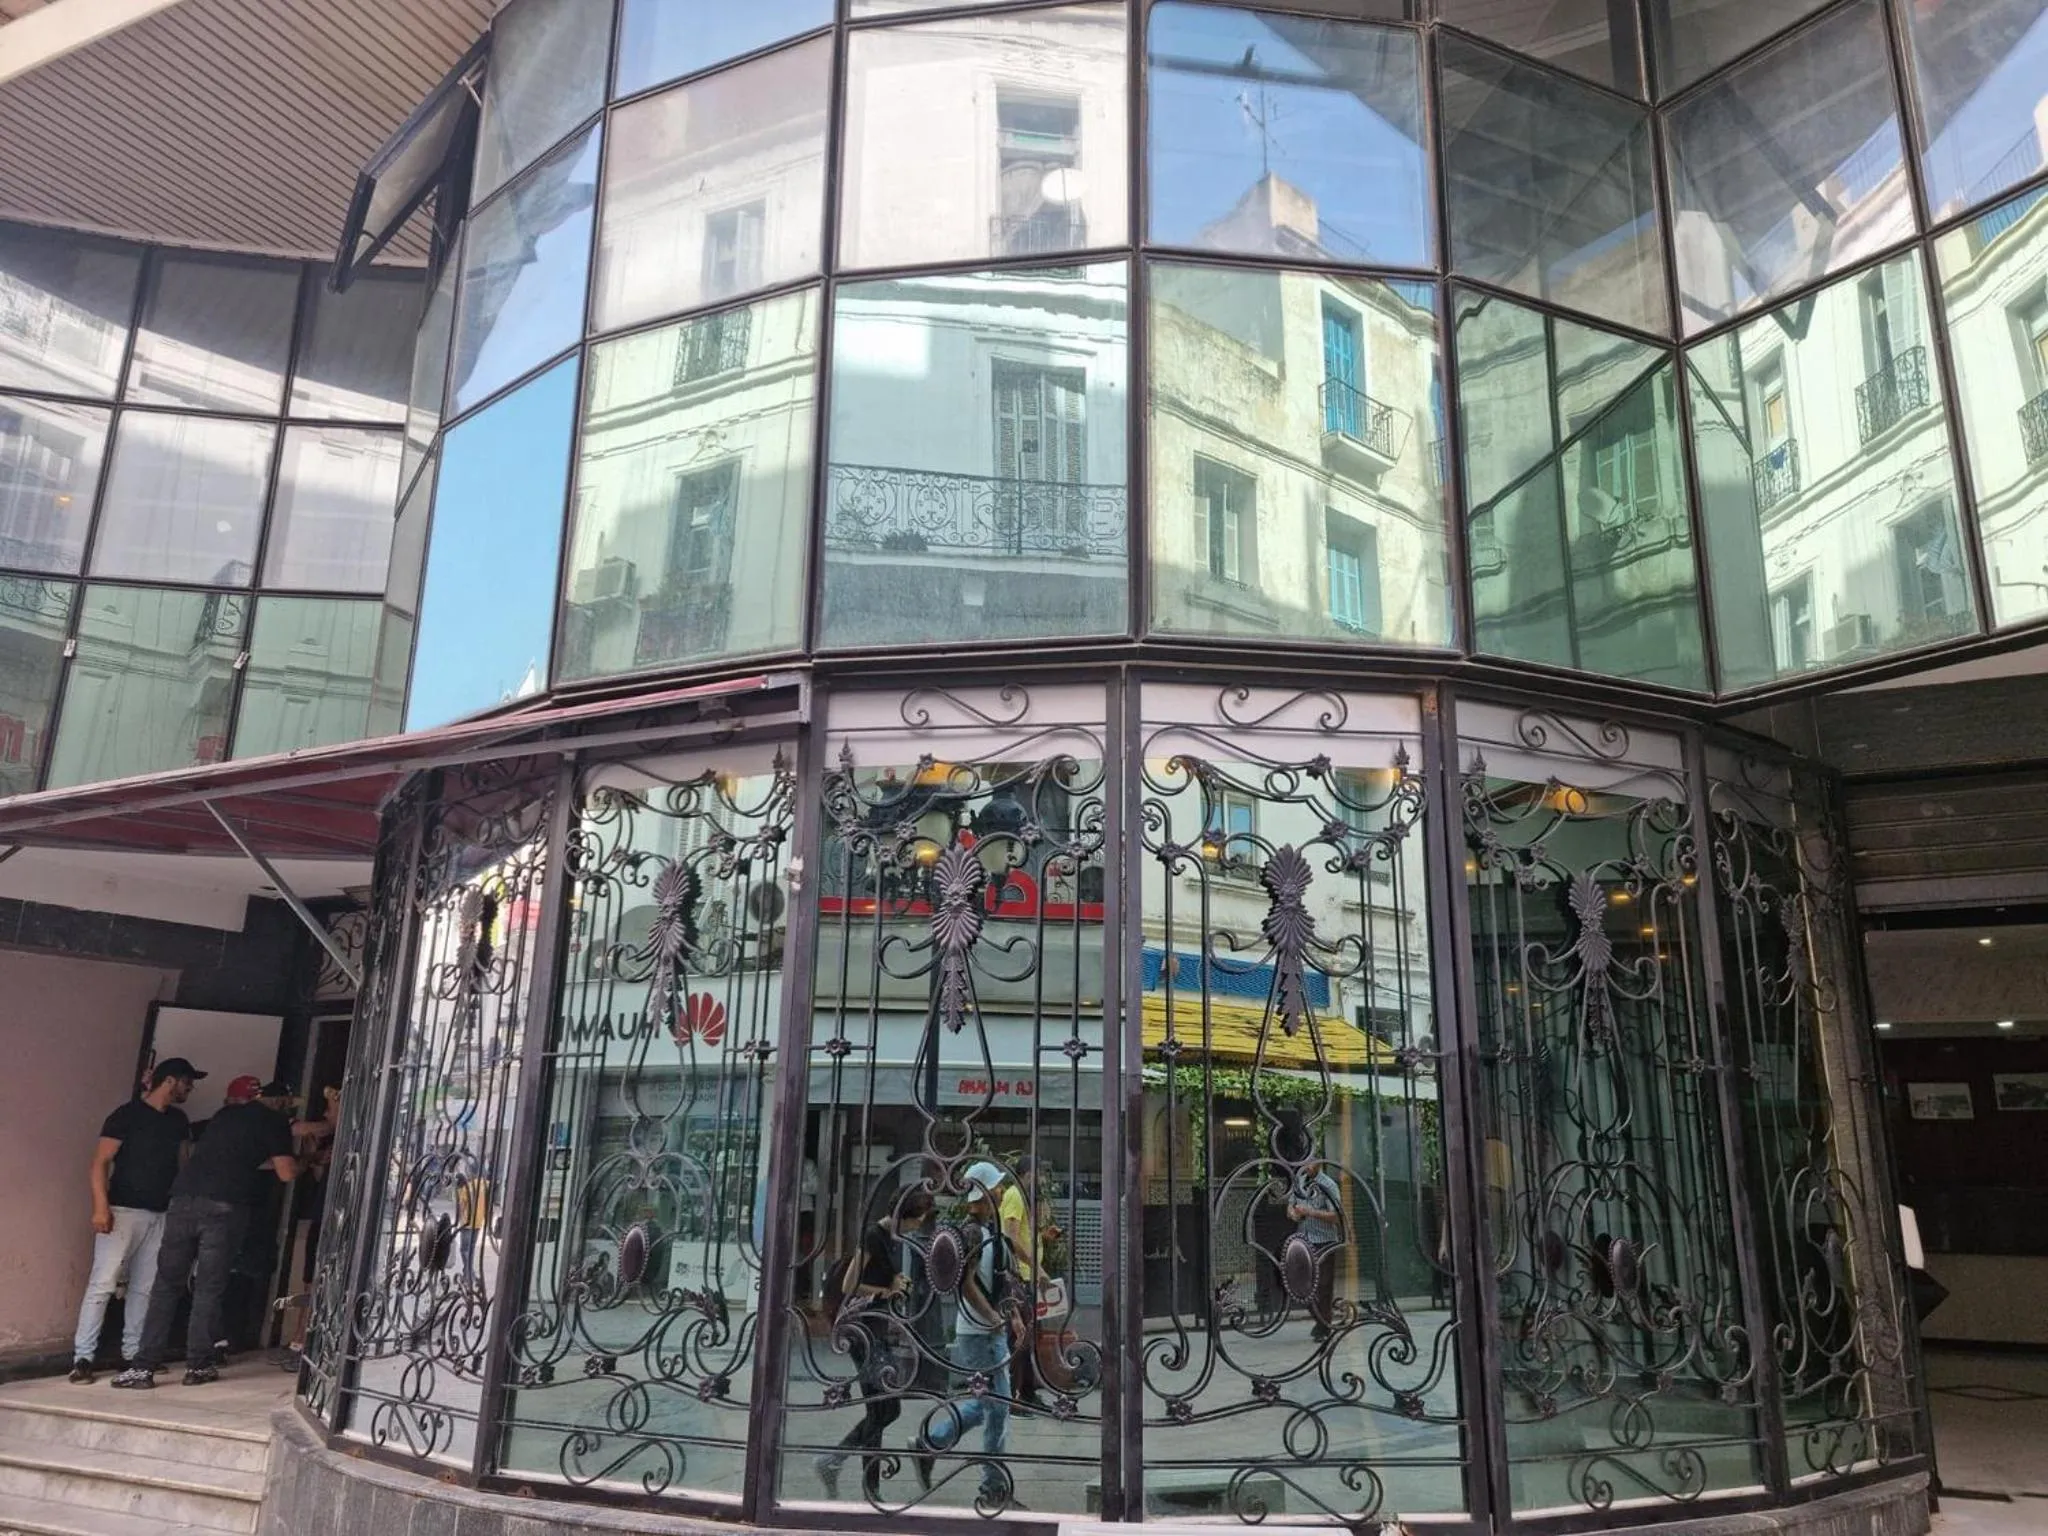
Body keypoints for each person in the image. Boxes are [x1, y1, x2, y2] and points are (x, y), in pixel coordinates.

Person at [113, 1077, 297, 1389]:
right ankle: (197, 1364)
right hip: (225, 1207)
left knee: (166, 1284)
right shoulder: (274, 1122)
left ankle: (143, 1366)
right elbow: (286, 1172)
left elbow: (221, 1153)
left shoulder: (225, 1116)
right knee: (208, 1287)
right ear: (280, 1103)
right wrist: (303, 1160)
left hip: (183, 1200)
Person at [67, 1058, 205, 1383]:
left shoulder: (178, 1121)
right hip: (123, 1210)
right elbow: (100, 1162)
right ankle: (83, 1357)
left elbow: (183, 1165)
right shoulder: (126, 1115)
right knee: (103, 1283)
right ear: (169, 1081)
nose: (190, 1088)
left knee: (145, 1287)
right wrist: (101, 1207)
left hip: (161, 1213)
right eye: (187, 1082)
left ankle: (133, 1354)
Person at [815, 1188, 936, 1501]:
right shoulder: (873, 1236)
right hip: (862, 1333)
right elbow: (849, 1285)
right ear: (903, 1216)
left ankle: (840, 1466)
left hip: (876, 1330)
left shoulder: (891, 1239)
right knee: (884, 1407)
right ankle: (853, 1476)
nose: (915, 1227)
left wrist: (895, 1286)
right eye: (915, 1221)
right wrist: (886, 1290)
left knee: (881, 1409)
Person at [914, 1162, 1020, 1508]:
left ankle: (930, 1441)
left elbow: (999, 1281)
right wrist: (992, 1318)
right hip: (979, 1333)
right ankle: (992, 1486)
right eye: (997, 1187)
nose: (1002, 1192)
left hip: (990, 1331)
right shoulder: (972, 1231)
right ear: (985, 1192)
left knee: (986, 1404)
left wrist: (1012, 1315)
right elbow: (966, 1281)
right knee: (998, 1408)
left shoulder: (991, 1230)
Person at [1287, 1153, 1345, 1343]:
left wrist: (1311, 1212)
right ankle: (1319, 1320)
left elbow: (1337, 1216)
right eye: (1304, 1163)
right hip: (1303, 1240)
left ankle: (1324, 1325)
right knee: (1302, 1284)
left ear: (1319, 1163)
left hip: (1324, 1240)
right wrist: (1294, 1214)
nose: (1307, 1166)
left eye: (1311, 1162)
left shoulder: (1328, 1185)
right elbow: (1291, 1206)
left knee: (1323, 1286)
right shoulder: (1299, 1182)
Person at [455, 1165, 491, 1286]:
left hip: (467, 1222)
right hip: (478, 1221)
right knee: (471, 1249)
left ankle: (470, 1275)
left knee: (464, 1250)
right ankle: (467, 1273)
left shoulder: (467, 1187)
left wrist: (458, 1222)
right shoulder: (484, 1184)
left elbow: (462, 1206)